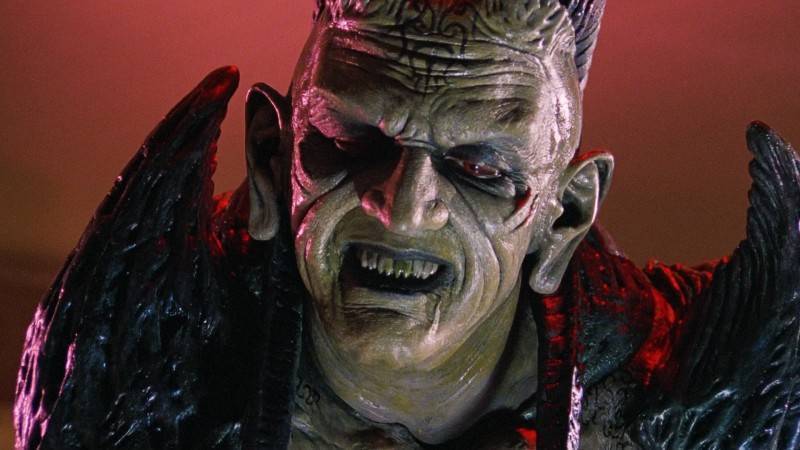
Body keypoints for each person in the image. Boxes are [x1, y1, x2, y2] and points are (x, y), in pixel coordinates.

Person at [14, 1, 800, 448]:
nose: (401, 205)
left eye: (480, 167)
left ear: (562, 218)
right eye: (350, 140)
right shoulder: (144, 377)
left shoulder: (680, 413)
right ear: (270, 159)